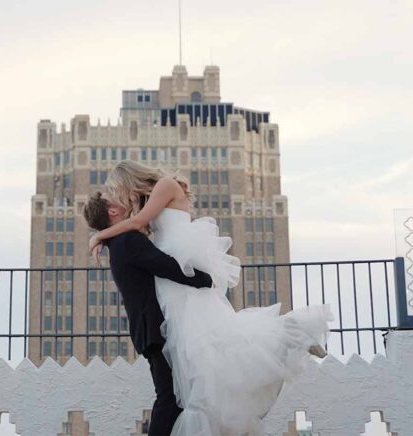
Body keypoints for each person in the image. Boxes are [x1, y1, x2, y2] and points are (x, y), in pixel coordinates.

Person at [88, 160, 331, 436]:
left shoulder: (163, 188)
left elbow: (139, 223)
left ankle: (292, 330)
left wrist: (98, 237)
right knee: (206, 350)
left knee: (212, 343)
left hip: (178, 261)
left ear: (129, 180)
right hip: (169, 274)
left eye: (118, 189)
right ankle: (288, 334)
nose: (121, 196)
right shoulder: (134, 226)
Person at [83, 191, 216, 435]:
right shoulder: (128, 241)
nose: (124, 200)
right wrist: (206, 279)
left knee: (174, 397)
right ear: (113, 212)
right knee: (170, 399)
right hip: (156, 329)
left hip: (147, 329)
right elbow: (164, 265)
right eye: (116, 198)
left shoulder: (118, 243)